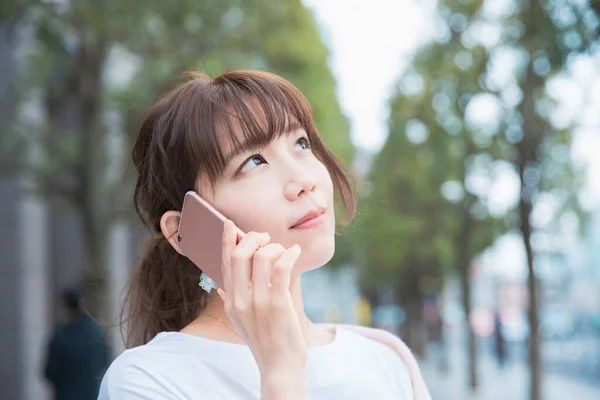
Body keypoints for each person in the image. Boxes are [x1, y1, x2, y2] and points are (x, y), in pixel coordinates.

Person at [98, 70, 431, 399]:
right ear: (184, 230)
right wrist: (279, 374)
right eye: (254, 162)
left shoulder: (385, 360)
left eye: (301, 143)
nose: (303, 179)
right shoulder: (150, 379)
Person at [44, 287, 110, 400]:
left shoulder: (60, 337)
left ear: (66, 308)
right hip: (93, 394)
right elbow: (104, 364)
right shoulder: (97, 334)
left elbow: (50, 372)